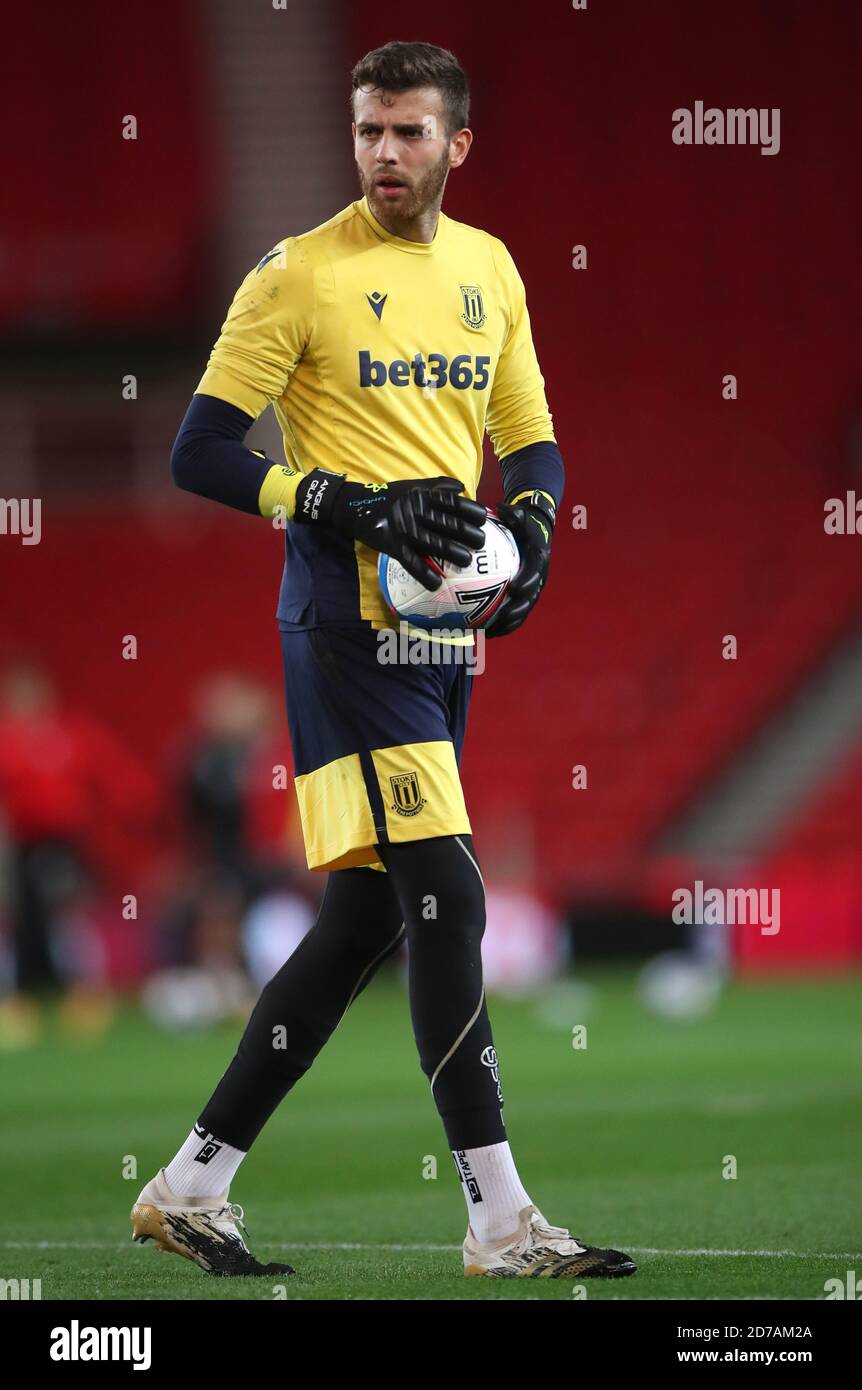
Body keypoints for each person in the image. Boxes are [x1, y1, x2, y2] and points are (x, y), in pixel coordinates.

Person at [131, 40, 635, 1281]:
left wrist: (531, 536)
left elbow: (533, 440)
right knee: (452, 900)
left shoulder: (490, 269)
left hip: (445, 638)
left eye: (411, 132)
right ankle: (501, 1220)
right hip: (345, 633)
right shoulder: (297, 275)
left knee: (368, 913)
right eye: (369, 131)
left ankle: (192, 1183)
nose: (386, 154)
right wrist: (348, 506)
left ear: (458, 144)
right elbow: (199, 451)